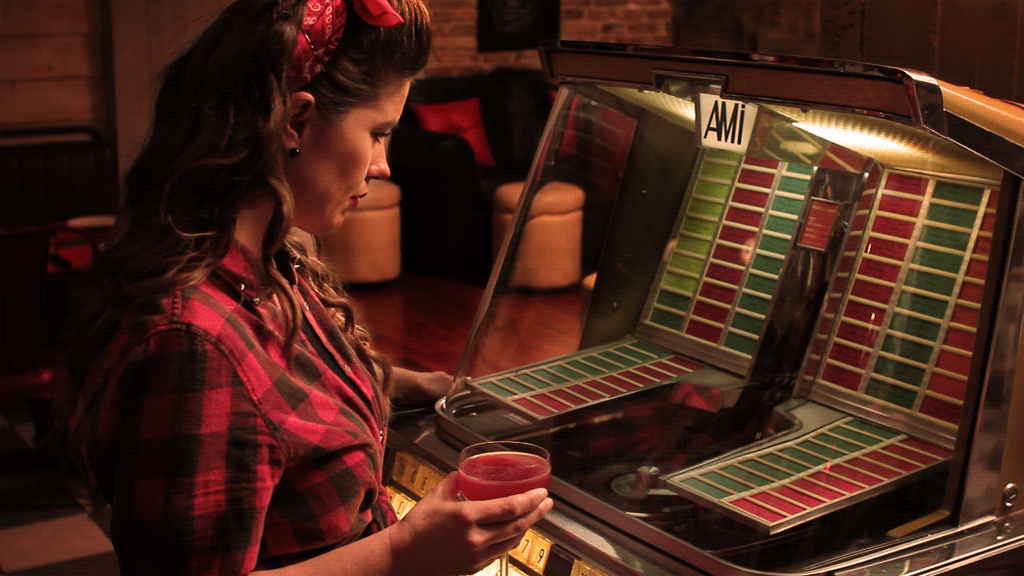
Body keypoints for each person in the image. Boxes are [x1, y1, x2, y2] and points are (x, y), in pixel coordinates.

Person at [62, 0, 553, 573]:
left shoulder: (272, 260)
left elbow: (274, 397)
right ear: (295, 122)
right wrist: (404, 552)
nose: (382, 165)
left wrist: (401, 382)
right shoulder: (192, 343)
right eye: (377, 133)